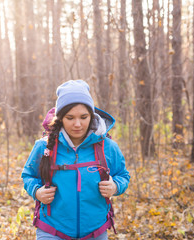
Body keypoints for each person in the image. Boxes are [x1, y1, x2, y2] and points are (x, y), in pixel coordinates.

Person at [21, 80, 130, 240]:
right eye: (70, 117)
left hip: (95, 231)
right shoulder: (44, 147)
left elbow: (123, 175)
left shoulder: (107, 147)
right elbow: (28, 175)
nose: (77, 124)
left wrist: (115, 186)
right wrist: (37, 192)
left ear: (91, 116)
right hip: (52, 230)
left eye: (84, 117)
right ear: (60, 118)